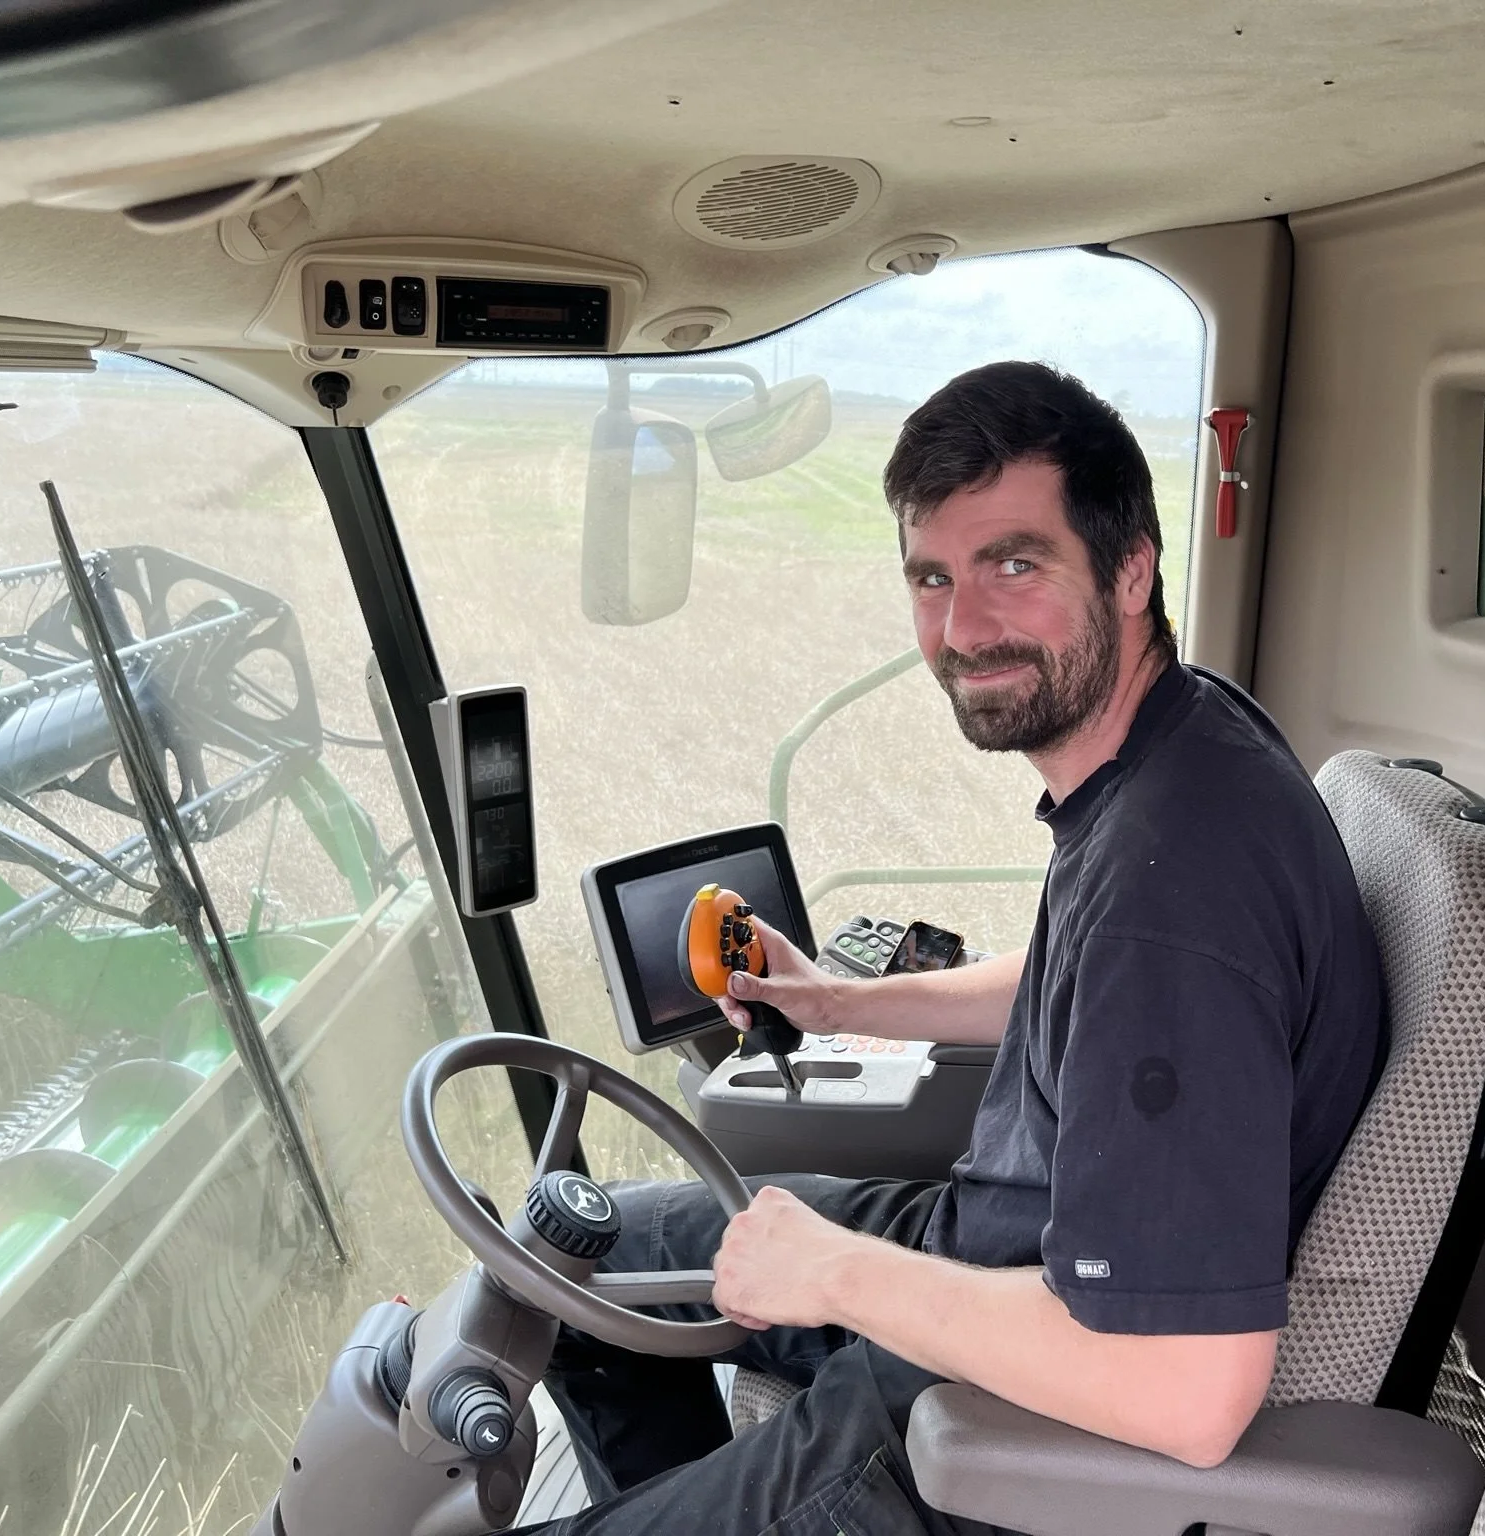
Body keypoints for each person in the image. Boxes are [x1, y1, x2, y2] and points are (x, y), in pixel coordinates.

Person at [521, 361, 1386, 1535]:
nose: (961, 627)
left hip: (987, 1414)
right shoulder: (1184, 744)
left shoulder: (1172, 889)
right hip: (984, 1258)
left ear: (1130, 571)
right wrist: (835, 1004)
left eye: (1013, 566)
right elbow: (1073, 988)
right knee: (578, 1257)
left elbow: (1187, 1390)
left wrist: (831, 1273)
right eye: (931, 577)